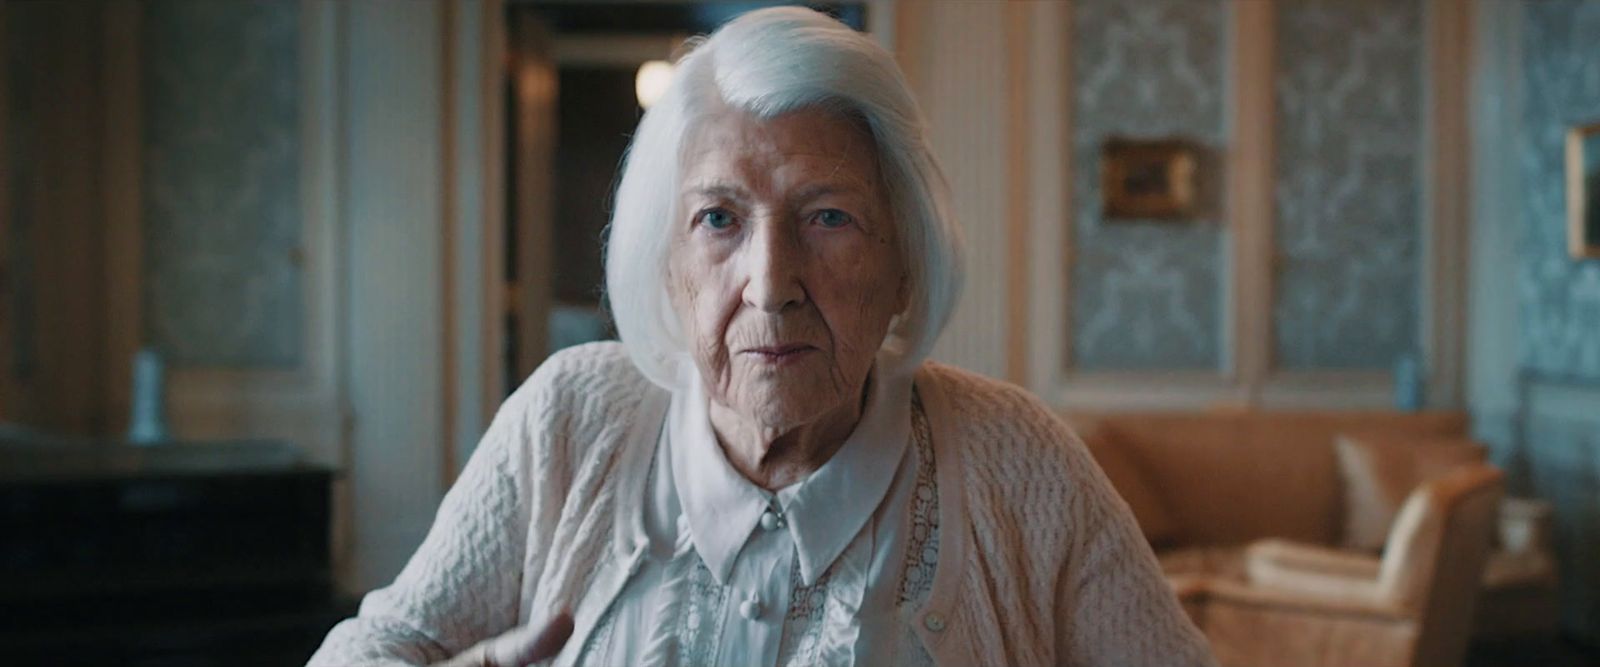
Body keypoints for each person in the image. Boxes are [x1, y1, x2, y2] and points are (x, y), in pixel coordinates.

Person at [308, 7, 1214, 666]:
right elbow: (376, 643)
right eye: (718, 218)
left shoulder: (1019, 461)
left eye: (828, 217)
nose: (771, 282)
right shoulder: (571, 419)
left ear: (906, 260)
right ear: (665, 261)